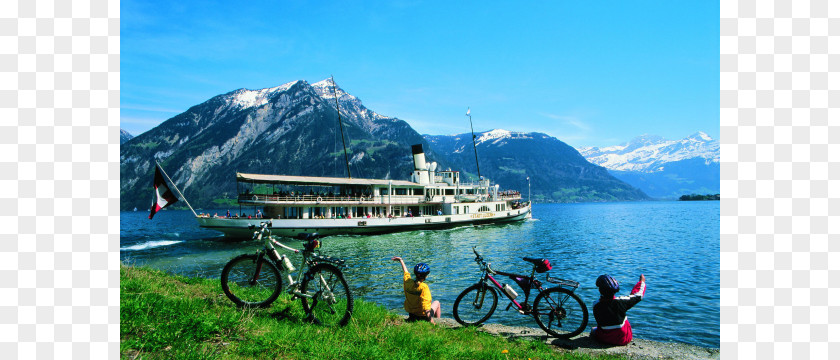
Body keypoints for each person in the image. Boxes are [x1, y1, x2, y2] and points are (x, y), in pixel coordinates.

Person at [590, 274, 647, 346]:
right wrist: (641, 282)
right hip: (623, 339)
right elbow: (638, 295)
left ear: (600, 290)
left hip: (603, 338)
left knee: (593, 329)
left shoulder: (596, 305)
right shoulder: (621, 302)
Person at [390, 256, 440, 324]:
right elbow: (426, 308)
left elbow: (406, 272)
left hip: (412, 315)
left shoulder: (408, 282)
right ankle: (438, 320)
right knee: (437, 303)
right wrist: (432, 322)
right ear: (426, 276)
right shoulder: (424, 287)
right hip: (423, 316)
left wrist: (401, 260)